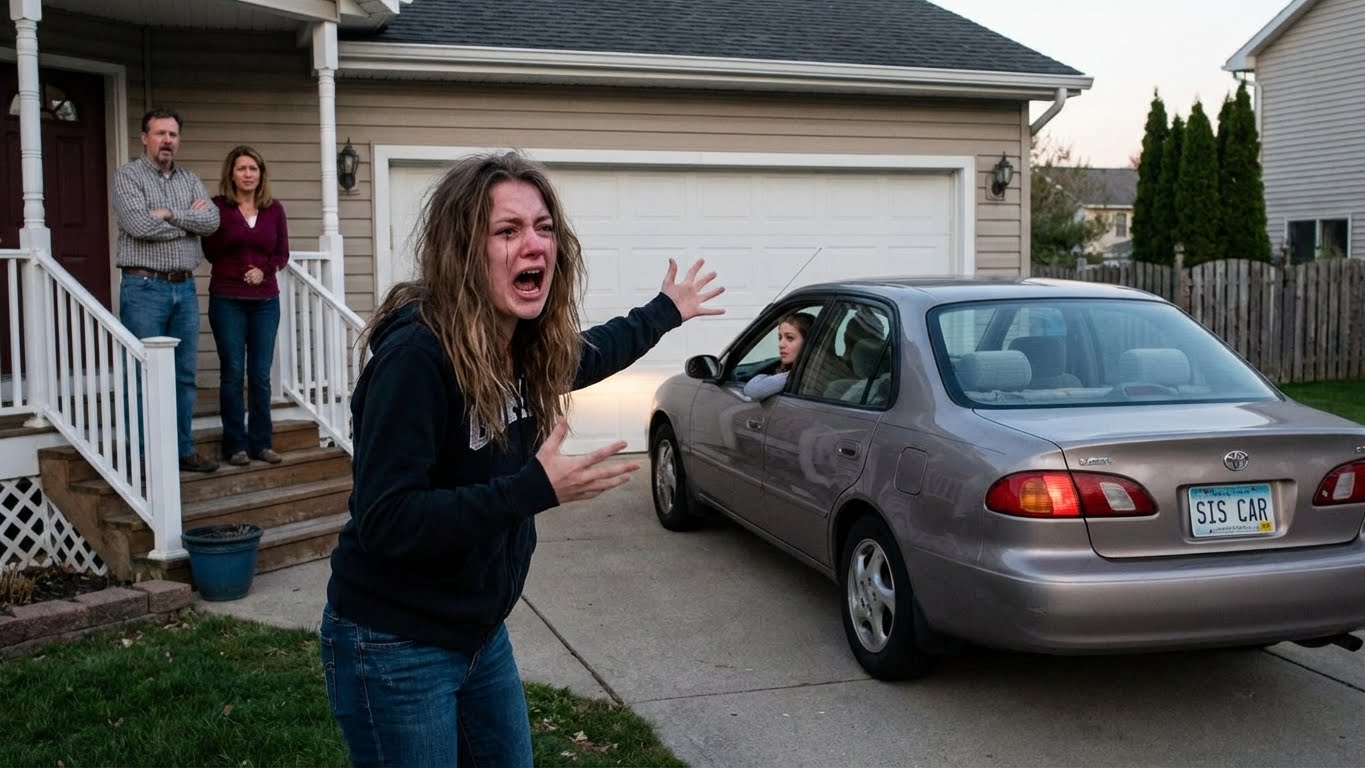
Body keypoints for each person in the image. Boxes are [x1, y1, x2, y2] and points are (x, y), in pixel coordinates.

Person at [319, 151, 724, 767]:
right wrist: (532, 488)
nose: (533, 245)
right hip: (394, 643)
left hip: (479, 634)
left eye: (543, 227)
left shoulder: (519, 346)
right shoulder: (416, 362)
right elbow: (388, 519)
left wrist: (665, 311)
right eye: (507, 231)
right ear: (463, 251)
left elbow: (587, 354)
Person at [112, 108, 221, 472]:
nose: (167, 141)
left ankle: (182, 450)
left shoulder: (189, 178)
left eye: (172, 134)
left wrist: (168, 214)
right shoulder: (128, 176)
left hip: (184, 289)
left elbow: (212, 221)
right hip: (144, 287)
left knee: (184, 374)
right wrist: (186, 221)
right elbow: (137, 223)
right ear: (144, 138)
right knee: (141, 374)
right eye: (160, 133)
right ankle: (143, 457)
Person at [202, 146, 289, 466]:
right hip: (228, 300)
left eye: (254, 169)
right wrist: (240, 266)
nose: (248, 174)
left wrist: (263, 270)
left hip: (266, 302)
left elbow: (282, 253)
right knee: (233, 373)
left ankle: (261, 443)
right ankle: (235, 445)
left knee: (260, 375)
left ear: (261, 174)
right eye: (242, 169)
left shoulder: (274, 210)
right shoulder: (217, 208)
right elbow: (210, 251)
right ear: (232, 173)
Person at [742, 311, 814, 399]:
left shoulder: (797, 377)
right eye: (780, 337)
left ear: (808, 342)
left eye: (790, 338)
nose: (781, 344)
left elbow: (752, 390)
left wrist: (765, 377)